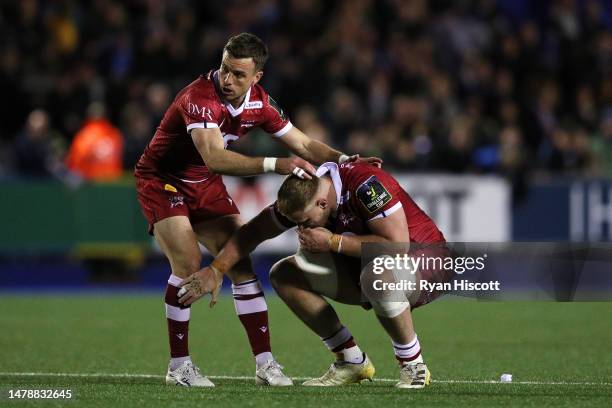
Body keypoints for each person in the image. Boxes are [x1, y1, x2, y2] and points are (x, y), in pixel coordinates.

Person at [134, 32, 380, 387]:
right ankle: (179, 366)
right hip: (162, 179)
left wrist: (344, 160)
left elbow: (304, 143)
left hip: (202, 182)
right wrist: (274, 164)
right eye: (224, 69)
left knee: (240, 263)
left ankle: (266, 364)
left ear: (256, 78)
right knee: (188, 263)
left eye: (238, 74)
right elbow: (215, 158)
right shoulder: (198, 98)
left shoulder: (261, 103)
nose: (227, 79)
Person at [179, 161, 449, 389]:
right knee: (284, 274)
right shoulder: (306, 195)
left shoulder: (366, 184)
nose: (301, 227)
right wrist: (217, 268)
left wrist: (333, 242)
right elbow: (253, 232)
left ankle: (413, 365)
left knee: (376, 275)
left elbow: (397, 246)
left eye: (305, 222)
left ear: (322, 203)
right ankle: (350, 360)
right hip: (369, 271)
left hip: (426, 263)